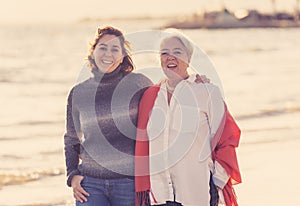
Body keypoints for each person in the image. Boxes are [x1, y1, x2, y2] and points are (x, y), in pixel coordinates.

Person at [135, 30, 242, 206]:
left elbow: (227, 138)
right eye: (164, 53)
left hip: (197, 192)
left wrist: (217, 181)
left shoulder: (207, 92)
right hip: (159, 194)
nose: (170, 57)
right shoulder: (150, 96)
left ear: (189, 58)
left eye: (177, 52)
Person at [63, 26, 154, 205]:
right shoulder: (79, 92)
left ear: (122, 57)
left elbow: (168, 101)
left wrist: (194, 82)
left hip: (130, 183)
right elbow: (71, 138)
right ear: (93, 52)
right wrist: (72, 176)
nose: (108, 54)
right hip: (90, 185)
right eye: (103, 47)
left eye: (115, 49)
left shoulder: (138, 83)